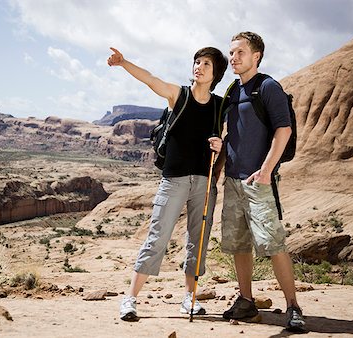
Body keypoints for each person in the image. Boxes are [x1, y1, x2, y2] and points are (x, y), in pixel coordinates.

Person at [107, 46, 228, 321]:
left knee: (197, 242)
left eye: (206, 64)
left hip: (203, 182)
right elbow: (150, 79)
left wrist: (220, 146)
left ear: (216, 73)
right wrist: (124, 62)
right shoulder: (179, 95)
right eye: (197, 62)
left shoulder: (220, 105)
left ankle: (189, 298)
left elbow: (228, 141)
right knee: (157, 239)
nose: (198, 66)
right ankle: (130, 299)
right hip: (173, 180)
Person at [214, 32, 307, 332]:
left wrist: (267, 170)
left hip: (258, 182)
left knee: (273, 243)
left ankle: (293, 306)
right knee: (239, 244)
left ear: (257, 56)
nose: (234, 58)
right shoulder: (232, 91)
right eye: (231, 52)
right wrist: (221, 156)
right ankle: (246, 301)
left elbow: (284, 130)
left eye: (240, 52)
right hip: (233, 181)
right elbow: (236, 134)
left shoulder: (268, 87)